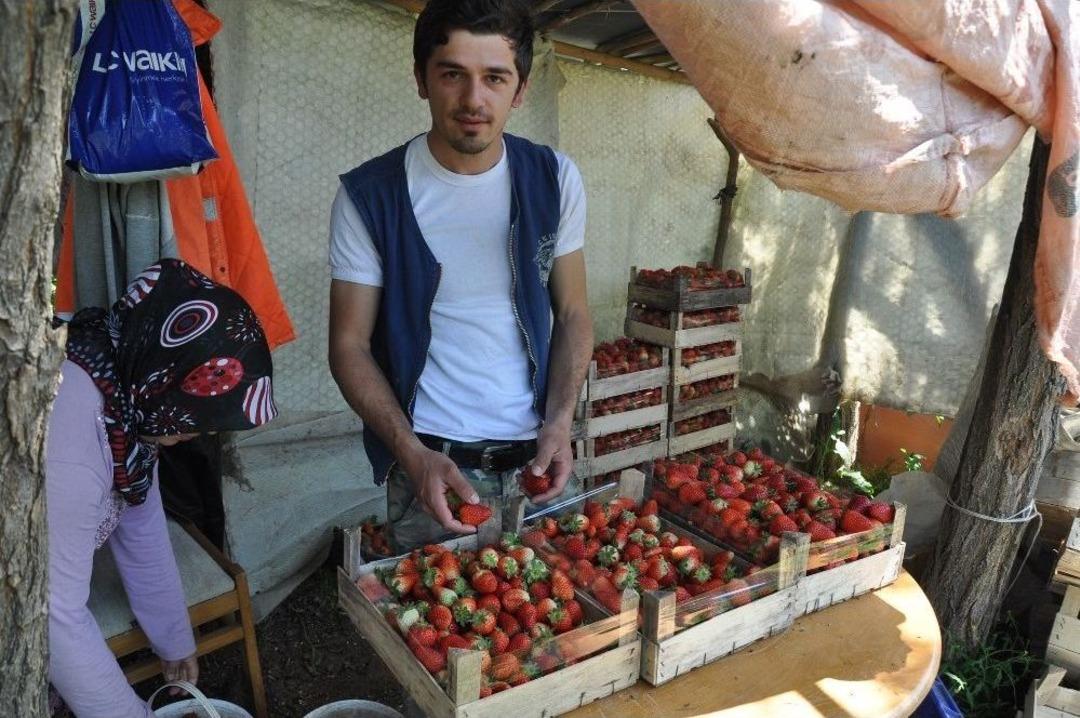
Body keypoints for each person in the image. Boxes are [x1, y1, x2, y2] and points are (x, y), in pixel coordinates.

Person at [328, 0, 592, 552]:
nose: (474, 100)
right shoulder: (370, 196)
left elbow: (572, 313)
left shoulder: (554, 179)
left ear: (519, 90)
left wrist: (561, 421)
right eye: (453, 74)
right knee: (437, 631)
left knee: (561, 629)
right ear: (422, 79)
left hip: (539, 462)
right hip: (431, 467)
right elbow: (349, 346)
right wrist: (411, 454)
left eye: (495, 78)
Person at [48, 259, 278, 717]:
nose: (197, 433)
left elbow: (142, 524)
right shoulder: (71, 440)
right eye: (196, 416)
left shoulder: (127, 395)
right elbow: (52, 614)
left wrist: (174, 641)